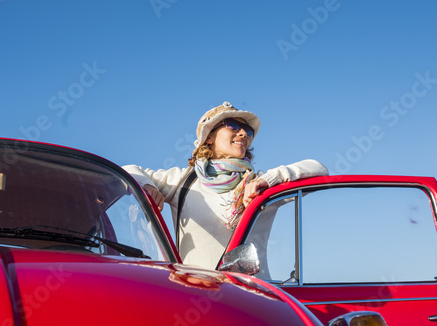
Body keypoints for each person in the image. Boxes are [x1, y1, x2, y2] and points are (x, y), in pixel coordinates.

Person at [123, 101, 328, 269]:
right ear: (209, 137)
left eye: (247, 130)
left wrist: (268, 180)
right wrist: (147, 186)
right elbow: (128, 169)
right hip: (196, 294)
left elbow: (319, 168)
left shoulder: (260, 183)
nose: (243, 134)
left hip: (255, 295)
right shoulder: (183, 181)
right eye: (233, 126)